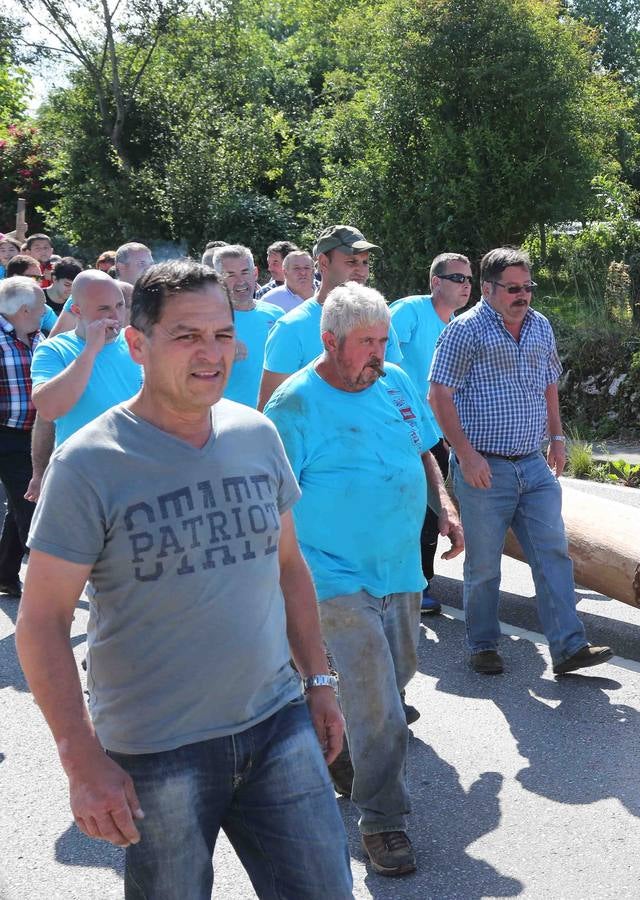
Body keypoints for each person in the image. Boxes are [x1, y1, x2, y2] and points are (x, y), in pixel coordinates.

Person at [16, 260, 354, 899]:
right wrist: (81, 758)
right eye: (187, 336)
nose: (211, 353)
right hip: (156, 748)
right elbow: (41, 622)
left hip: (276, 721)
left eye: (222, 335)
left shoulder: (256, 434)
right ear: (137, 345)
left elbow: (287, 568)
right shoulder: (87, 463)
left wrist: (319, 680)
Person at [264, 283, 463, 877]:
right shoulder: (294, 405)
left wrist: (444, 507)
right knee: (379, 703)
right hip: (331, 575)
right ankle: (382, 821)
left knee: (398, 675)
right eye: (366, 343)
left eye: (383, 340)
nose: (379, 353)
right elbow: (272, 502)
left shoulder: (395, 382)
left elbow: (423, 449)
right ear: (329, 341)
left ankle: (336, 743)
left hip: (399, 566)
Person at [429, 246, 612, 677]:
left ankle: (569, 648)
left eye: (528, 287)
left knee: (553, 555)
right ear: (488, 288)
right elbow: (439, 395)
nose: (523, 295)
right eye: (513, 288)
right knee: (485, 564)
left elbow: (549, 382)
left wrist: (558, 436)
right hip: (484, 466)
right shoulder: (464, 331)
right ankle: (483, 645)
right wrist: (466, 455)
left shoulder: (539, 326)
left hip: (532, 464)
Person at [390, 252, 473, 615]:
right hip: (401, 429)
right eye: (457, 278)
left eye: (469, 279)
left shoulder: (456, 325)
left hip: (437, 432)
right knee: (417, 509)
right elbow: (383, 359)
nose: (465, 285)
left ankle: (420, 582)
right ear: (435, 282)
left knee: (432, 511)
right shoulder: (409, 311)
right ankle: (415, 584)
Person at [259, 225, 403, 407]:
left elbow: (394, 390)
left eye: (365, 262)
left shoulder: (378, 321)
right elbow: (272, 410)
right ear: (324, 262)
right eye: (351, 262)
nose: (362, 271)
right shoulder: (291, 328)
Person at [31, 271, 143, 448]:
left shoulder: (137, 341)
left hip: (139, 461)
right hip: (82, 468)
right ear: (77, 311)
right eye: (103, 308)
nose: (115, 316)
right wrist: (90, 351)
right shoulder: (53, 349)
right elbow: (48, 409)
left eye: (120, 305)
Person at [0, 277, 47, 597]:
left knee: (25, 503)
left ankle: (4, 573)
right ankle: (49, 593)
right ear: (25, 310)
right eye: (42, 307)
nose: (46, 312)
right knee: (32, 510)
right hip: (7, 435)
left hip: (33, 434)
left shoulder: (35, 334)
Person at [213, 245, 285, 406]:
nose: (240, 281)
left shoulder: (277, 314)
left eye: (245, 272)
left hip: (274, 416)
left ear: (255, 273)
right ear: (218, 279)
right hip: (228, 420)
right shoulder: (208, 321)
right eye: (230, 275)